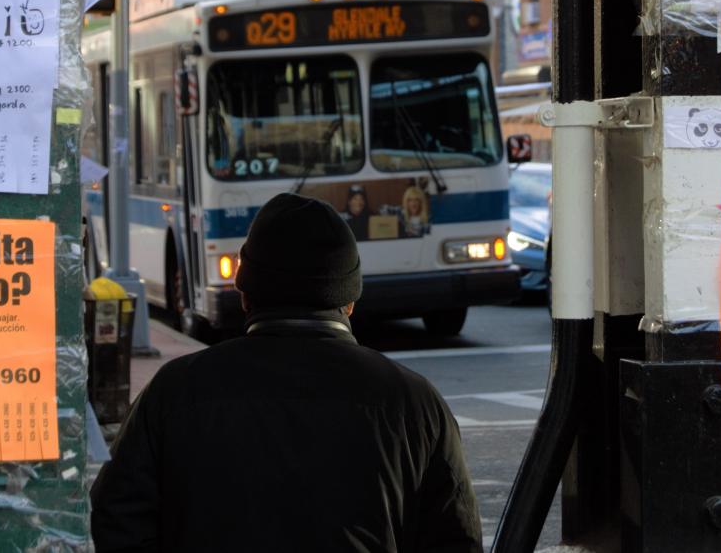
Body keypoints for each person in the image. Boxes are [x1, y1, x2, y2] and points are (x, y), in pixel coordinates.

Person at [90, 193, 482, 553]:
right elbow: (454, 538)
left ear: (245, 296)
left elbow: (117, 515)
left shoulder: (174, 391)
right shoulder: (414, 402)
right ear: (349, 301)